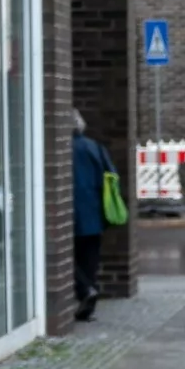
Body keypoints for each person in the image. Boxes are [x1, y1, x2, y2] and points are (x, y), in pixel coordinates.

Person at [70, 111, 117, 322]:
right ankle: (88, 302)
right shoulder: (94, 147)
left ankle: (85, 290)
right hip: (94, 210)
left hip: (70, 211)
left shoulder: (62, 150)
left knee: (65, 256)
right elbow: (110, 176)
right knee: (89, 257)